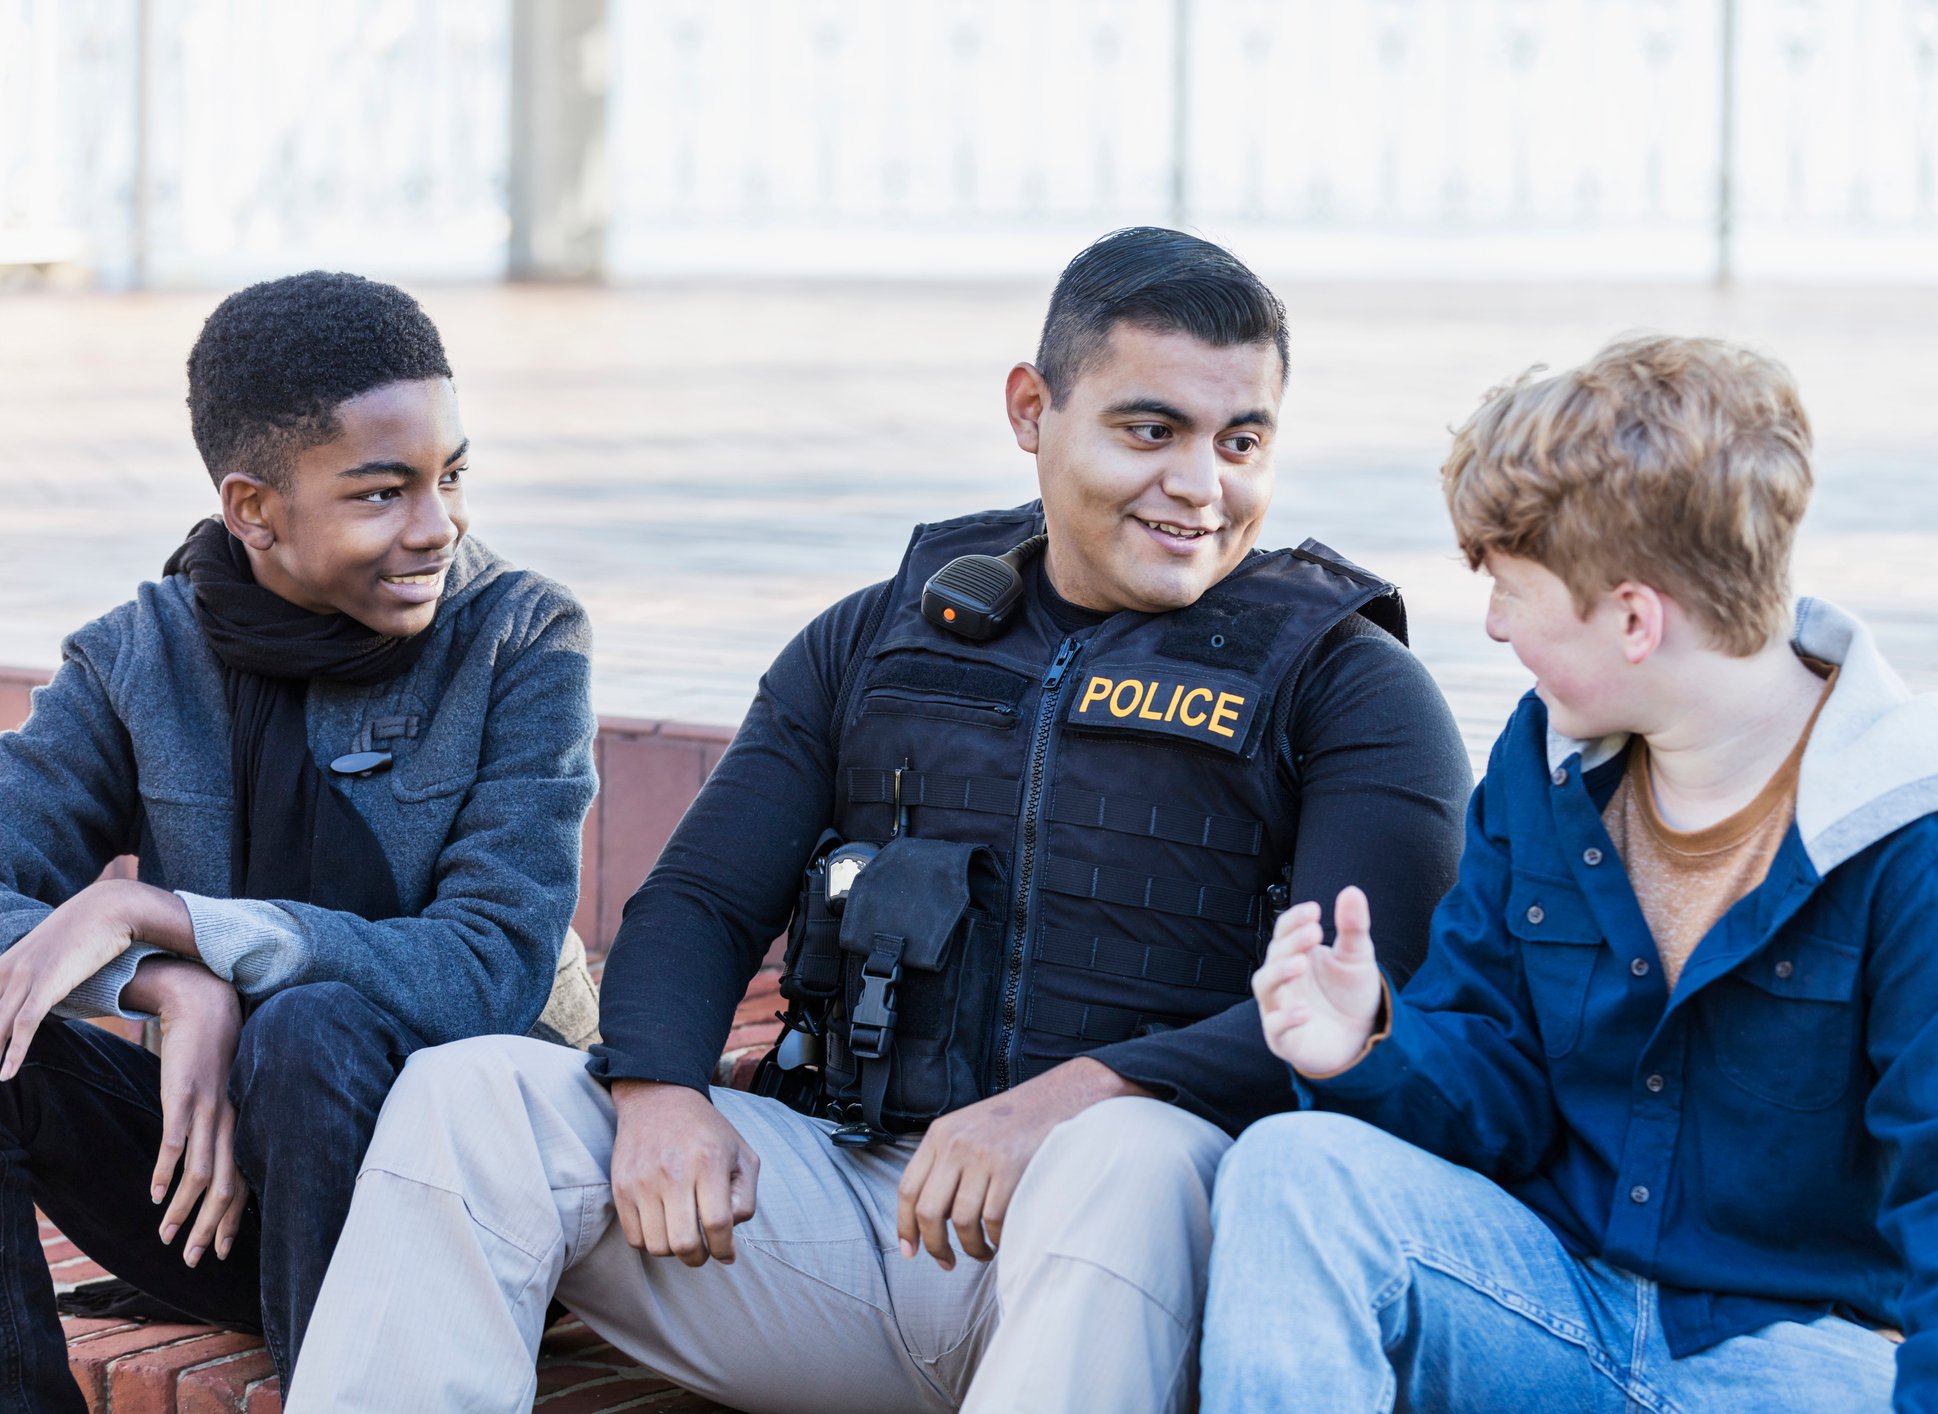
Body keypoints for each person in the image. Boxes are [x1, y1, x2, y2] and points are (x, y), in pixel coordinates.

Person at [287, 227, 1472, 1413]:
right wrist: (658, 1090)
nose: (1202, 487)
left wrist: (1073, 1099)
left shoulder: (1348, 683)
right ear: (1031, 408)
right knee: (471, 1099)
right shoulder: (877, 639)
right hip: (862, 1220)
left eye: (1243, 441)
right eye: (1150, 431)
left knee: (1133, 1156)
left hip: (1139, 1261)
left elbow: (1376, 1003)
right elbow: (700, 898)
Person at [1204, 334, 1938, 1412]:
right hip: (1543, 1297)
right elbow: (1496, 1079)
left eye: (1515, 591)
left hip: (1786, 1357)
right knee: (1292, 1171)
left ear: (1632, 617)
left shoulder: (1917, 843)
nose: (1494, 623)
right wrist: (1373, 1040)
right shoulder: (1543, 763)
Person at [0, 271, 599, 1403]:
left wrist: (177, 917)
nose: (439, 525)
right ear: (254, 509)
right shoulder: (141, 658)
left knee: (312, 1026)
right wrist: (169, 983)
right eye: (384, 493)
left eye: (452, 475)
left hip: (477, 1207)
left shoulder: (522, 637)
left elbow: (490, 967)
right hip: (223, 1181)